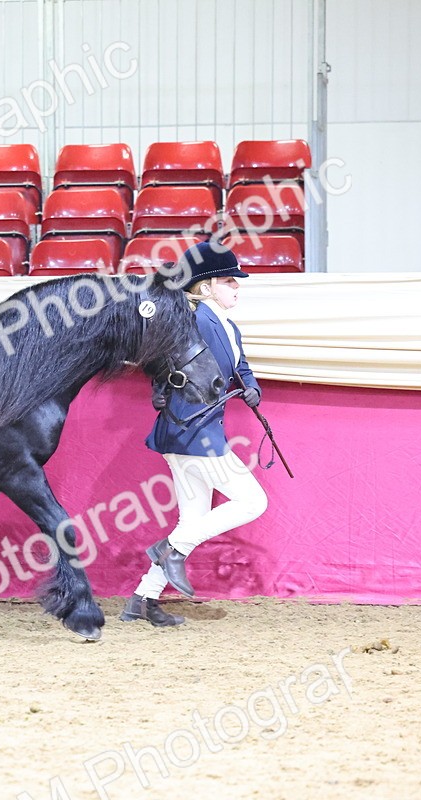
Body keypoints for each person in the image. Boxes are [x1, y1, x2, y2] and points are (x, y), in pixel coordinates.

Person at [120, 241, 269, 627]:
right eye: (230, 281)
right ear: (205, 287)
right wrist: (161, 384)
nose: (238, 287)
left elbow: (242, 366)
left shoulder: (229, 327)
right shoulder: (195, 320)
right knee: (253, 502)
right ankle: (171, 550)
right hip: (194, 429)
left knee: (194, 518)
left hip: (193, 431)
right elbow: (160, 354)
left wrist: (251, 387)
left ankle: (142, 599)